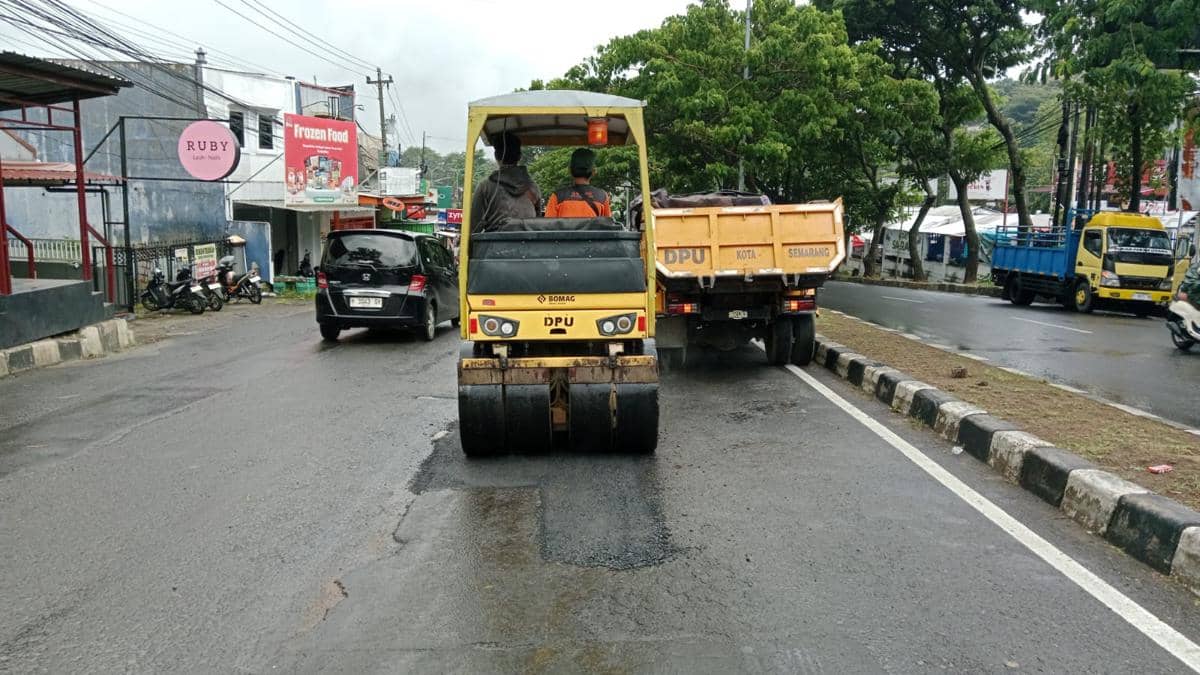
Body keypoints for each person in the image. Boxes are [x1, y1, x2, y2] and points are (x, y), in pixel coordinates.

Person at [469, 131, 541, 232]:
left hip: (494, 245)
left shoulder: (485, 186)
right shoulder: (533, 187)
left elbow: (474, 226)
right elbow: (537, 222)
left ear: (496, 156)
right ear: (519, 156)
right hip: (528, 245)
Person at [544, 148, 612, 218]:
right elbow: (608, 225)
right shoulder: (602, 196)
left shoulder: (557, 197)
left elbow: (548, 226)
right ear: (593, 172)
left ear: (570, 170)